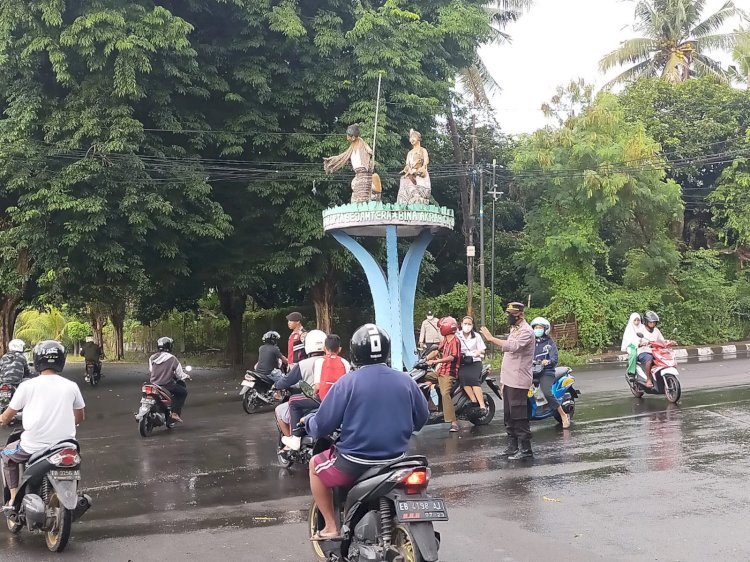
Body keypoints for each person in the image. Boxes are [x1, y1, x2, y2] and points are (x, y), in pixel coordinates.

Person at [304, 324, 429, 541]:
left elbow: (322, 426)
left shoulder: (347, 383)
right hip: (396, 460)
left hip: (354, 462)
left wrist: (308, 422)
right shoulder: (406, 380)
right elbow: (421, 419)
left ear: (355, 353)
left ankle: (331, 527)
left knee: (315, 465)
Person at [0, 341, 85, 510]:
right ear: (61, 360)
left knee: (6, 454)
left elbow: (7, 416)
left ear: (37, 359)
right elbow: (80, 417)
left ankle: (14, 498)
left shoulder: (27, 386)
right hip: (66, 446)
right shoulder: (71, 386)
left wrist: (2, 419)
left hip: (31, 446)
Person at [480, 302, 535, 460]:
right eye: (508, 313)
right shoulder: (515, 329)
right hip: (509, 379)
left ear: (520, 315)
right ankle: (513, 446)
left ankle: (526, 449)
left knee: (519, 415)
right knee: (509, 416)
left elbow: (513, 346)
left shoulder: (526, 331)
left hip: (519, 379)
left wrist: (491, 339)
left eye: (511, 314)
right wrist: (503, 382)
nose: (508, 316)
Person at [281, 334, 351, 451]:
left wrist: (312, 393)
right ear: (339, 349)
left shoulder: (320, 362)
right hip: (341, 403)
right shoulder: (345, 363)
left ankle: (296, 438)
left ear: (324, 349)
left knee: (293, 401)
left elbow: (317, 387)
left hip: (322, 401)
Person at [274, 329, 327, 441]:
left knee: (280, 409)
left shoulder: (302, 364)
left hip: (313, 401)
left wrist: (276, 385)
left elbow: (286, 381)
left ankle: (293, 440)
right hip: (332, 402)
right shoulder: (336, 361)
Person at [530, 317, 570, 429]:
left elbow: (554, 358)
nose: (537, 329)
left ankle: (563, 415)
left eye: (540, 328)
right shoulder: (530, 342)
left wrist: (548, 361)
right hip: (532, 371)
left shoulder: (549, 343)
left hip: (546, 371)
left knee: (547, 392)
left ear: (545, 329)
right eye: (536, 327)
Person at [323, 124, 376, 203]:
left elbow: (369, 151)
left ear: (353, 137)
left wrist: (371, 154)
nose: (347, 138)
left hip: (364, 173)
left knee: (362, 197)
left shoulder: (361, 143)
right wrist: (332, 160)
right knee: (355, 197)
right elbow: (343, 156)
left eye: (348, 136)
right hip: (357, 174)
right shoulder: (352, 146)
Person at [425, 316, 461, 433]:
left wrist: (436, 361)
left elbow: (451, 357)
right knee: (421, 377)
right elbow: (436, 351)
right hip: (440, 372)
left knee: (445, 393)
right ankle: (431, 408)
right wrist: (424, 359)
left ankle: (453, 422)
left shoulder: (455, 341)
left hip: (448, 374)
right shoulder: (445, 340)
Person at [148, 337, 191, 423]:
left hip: (154, 384)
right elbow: (180, 374)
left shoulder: (152, 358)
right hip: (167, 385)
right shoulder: (172, 358)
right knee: (183, 392)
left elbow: (151, 370)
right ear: (169, 346)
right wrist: (186, 376)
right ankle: (175, 413)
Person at [457, 316, 488, 415]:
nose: (467, 326)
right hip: (463, 362)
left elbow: (482, 349)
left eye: (469, 324)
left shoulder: (477, 336)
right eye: (465, 323)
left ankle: (483, 406)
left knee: (474, 380)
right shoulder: (457, 336)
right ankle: (473, 400)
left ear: (472, 325)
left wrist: (478, 352)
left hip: (475, 362)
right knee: (462, 377)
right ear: (461, 324)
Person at [396, 129, 431, 204]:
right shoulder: (410, 153)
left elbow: (426, 161)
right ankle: (403, 199)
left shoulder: (423, 150)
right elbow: (407, 164)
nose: (412, 139)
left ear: (418, 138)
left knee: (418, 181)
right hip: (411, 173)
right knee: (403, 179)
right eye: (411, 138)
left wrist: (422, 168)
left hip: (420, 173)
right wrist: (407, 169)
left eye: (414, 137)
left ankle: (417, 195)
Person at [637, 310, 666, 389]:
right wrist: (641, 343)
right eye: (650, 322)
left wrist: (669, 342)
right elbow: (636, 341)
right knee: (649, 359)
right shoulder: (641, 330)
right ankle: (648, 379)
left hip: (655, 351)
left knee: (663, 359)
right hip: (643, 351)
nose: (652, 324)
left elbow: (662, 340)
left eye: (654, 322)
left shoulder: (656, 330)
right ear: (646, 321)